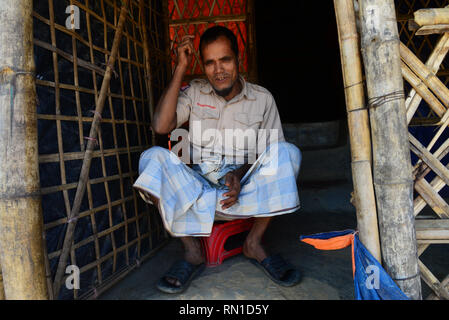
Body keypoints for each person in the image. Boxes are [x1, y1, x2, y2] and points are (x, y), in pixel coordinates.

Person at [134, 26, 302, 294]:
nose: (218, 69)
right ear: (202, 64)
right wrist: (180, 67)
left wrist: (239, 173)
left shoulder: (262, 99)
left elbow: (270, 153)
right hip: (198, 191)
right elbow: (161, 125)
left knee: (288, 153)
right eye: (210, 62)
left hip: (242, 193)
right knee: (152, 158)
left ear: (238, 58)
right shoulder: (195, 93)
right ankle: (191, 251)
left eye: (225, 59)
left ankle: (254, 242)